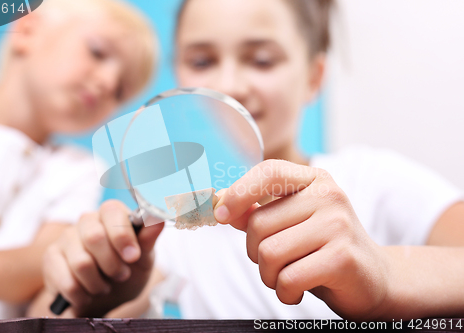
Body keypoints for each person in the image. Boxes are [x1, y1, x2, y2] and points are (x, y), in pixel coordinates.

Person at [35, 0, 464, 320]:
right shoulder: (168, 235)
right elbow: (52, 315)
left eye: (261, 59)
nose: (229, 84)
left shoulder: (373, 180)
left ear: (313, 77)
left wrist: (385, 275)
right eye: (202, 61)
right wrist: (98, 299)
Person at [0, 0, 156, 322]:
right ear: (27, 29)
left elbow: (46, 259)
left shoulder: (77, 170)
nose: (108, 83)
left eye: (120, 91)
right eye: (97, 52)